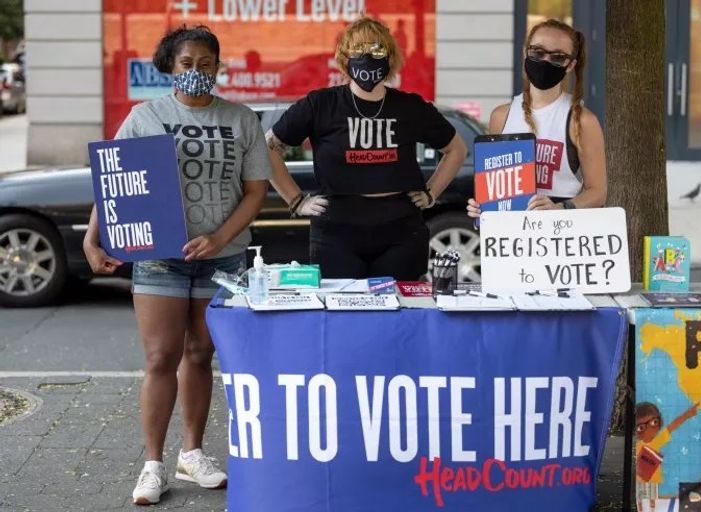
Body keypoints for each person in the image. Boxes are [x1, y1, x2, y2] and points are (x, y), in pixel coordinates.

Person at [82, 25, 272, 505]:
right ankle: (152, 464)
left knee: (200, 355)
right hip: (159, 256)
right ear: (169, 67)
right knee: (160, 358)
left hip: (222, 258)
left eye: (206, 63)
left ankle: (192, 454)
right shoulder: (145, 117)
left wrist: (219, 238)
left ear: (218, 66)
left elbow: (255, 194)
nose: (197, 72)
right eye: (187, 63)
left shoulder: (241, 119)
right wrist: (92, 236)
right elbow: (115, 181)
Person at [267, 16, 467, 281]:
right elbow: (267, 148)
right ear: (344, 57)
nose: (367, 56)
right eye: (358, 50)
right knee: (343, 316)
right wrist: (296, 200)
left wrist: (431, 193)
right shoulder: (320, 104)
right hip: (337, 230)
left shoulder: (410, 107)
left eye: (377, 49)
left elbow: (456, 149)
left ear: (391, 56)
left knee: (400, 314)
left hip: (401, 230)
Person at [467, 19, 606, 217]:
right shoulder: (501, 116)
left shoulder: (581, 120)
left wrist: (560, 208)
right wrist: (482, 206)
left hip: (561, 235)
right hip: (513, 234)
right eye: (538, 52)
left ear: (570, 65)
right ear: (526, 52)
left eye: (557, 57)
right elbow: (495, 182)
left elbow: (598, 192)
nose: (545, 61)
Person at [635, 401, 698, 512]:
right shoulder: (640, 444)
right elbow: (670, 428)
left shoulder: (655, 442)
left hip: (652, 481)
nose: (648, 430)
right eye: (641, 427)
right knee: (642, 500)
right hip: (642, 481)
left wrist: (687, 415)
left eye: (653, 423)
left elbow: (671, 427)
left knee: (651, 499)